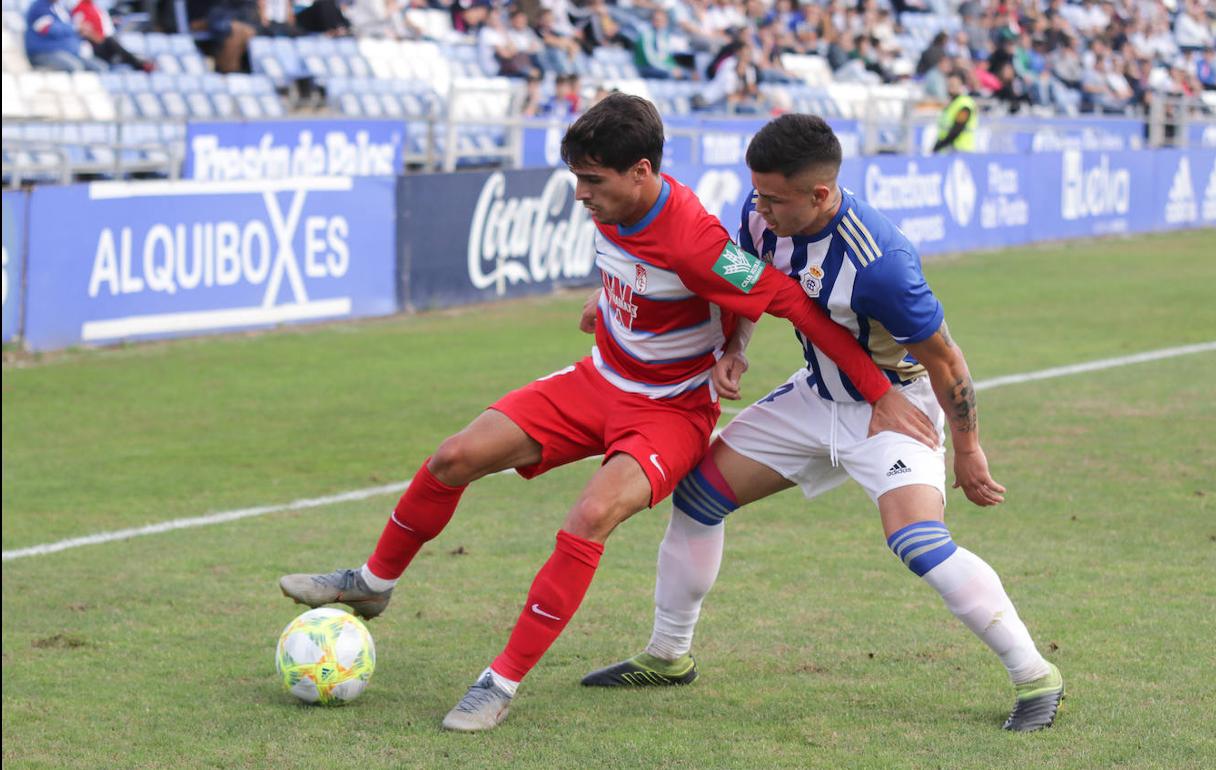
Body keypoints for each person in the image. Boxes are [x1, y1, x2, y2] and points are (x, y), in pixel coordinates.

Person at [278, 94, 933, 732]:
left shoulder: (697, 243)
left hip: (670, 413)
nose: (580, 194)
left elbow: (787, 301)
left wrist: (879, 393)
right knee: (455, 456)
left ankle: (499, 683)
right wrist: (609, 298)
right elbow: (640, 268)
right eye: (577, 177)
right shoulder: (614, 206)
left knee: (590, 516)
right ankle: (372, 583)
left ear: (641, 172)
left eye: (592, 180)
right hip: (598, 381)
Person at [581, 114, 1065, 734]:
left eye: (773, 198)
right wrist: (736, 348)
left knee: (918, 543)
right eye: (756, 193)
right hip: (815, 395)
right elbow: (750, 285)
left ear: (819, 194)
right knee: (698, 496)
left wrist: (968, 450)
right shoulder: (763, 218)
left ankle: (1035, 676)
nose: (759, 208)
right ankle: (668, 655)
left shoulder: (881, 264)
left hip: (896, 408)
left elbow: (947, 360)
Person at [25, 0, 106, 72]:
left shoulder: (61, 8)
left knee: (100, 68)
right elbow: (49, 29)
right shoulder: (39, 7)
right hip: (44, 53)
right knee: (75, 67)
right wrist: (75, 27)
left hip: (69, 53)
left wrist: (82, 32)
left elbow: (72, 29)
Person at [932, 72, 977, 153]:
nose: (951, 87)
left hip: (960, 150)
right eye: (949, 84)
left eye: (954, 85)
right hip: (948, 150)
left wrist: (939, 146)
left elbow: (957, 129)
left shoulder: (964, 104)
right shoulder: (952, 103)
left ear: (962, 85)